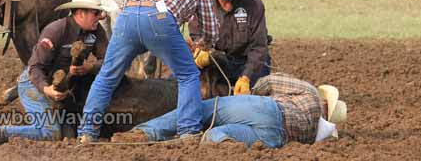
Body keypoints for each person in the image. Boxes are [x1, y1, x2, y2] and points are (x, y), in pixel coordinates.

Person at [77, 0, 219, 143]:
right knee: (188, 75)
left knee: (107, 76)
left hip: (127, 16)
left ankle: (87, 132)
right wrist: (206, 43)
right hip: (159, 19)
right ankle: (189, 130)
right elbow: (210, 26)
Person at [0, 0, 117, 145]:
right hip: (34, 86)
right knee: (51, 133)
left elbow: (109, 60)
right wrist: (47, 89)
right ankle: (2, 131)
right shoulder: (56, 31)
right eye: (96, 12)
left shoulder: (96, 32)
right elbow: (35, 68)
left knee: (70, 136)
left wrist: (90, 67)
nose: (101, 16)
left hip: (62, 91)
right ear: (80, 13)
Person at [112, 73, 347, 148]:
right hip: (275, 137)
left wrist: (249, 90)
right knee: (216, 137)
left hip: (268, 109)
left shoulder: (311, 95)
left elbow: (270, 82)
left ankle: (146, 133)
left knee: (203, 110)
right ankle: (198, 142)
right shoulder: (314, 135)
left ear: (325, 99)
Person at [189, 0, 270, 94]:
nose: (229, 5)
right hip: (217, 60)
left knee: (258, 93)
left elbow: (259, 47)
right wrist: (201, 48)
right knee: (184, 81)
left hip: (247, 60)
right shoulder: (204, 2)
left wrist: (246, 77)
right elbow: (195, 33)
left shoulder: (254, 5)